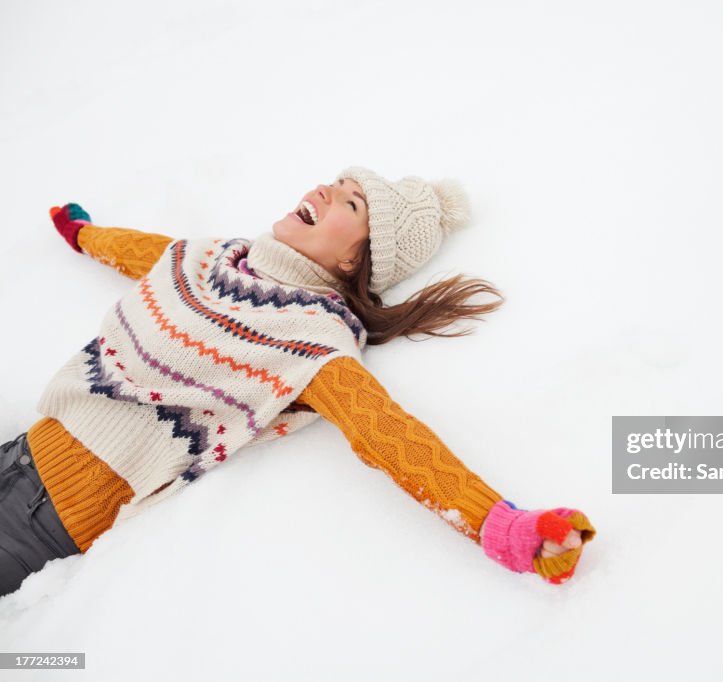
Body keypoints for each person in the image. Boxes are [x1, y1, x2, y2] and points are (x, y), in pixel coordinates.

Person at [0, 166, 596, 598]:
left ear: (352, 261)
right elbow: (146, 253)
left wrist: (505, 526)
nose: (324, 190)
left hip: (46, 518)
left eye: (351, 203)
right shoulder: (213, 259)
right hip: (20, 450)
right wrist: (84, 235)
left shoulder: (311, 339)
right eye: (335, 182)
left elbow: (390, 437)